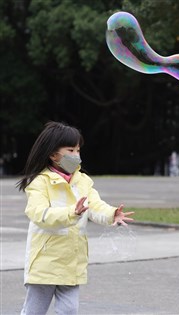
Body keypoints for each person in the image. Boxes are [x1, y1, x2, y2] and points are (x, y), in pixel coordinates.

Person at [17, 121, 134, 315]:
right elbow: (39, 214)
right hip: (45, 263)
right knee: (34, 311)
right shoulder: (40, 182)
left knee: (69, 311)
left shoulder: (83, 181)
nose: (76, 155)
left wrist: (111, 213)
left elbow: (95, 206)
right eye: (70, 150)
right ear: (53, 154)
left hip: (72, 262)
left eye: (78, 150)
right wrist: (72, 213)